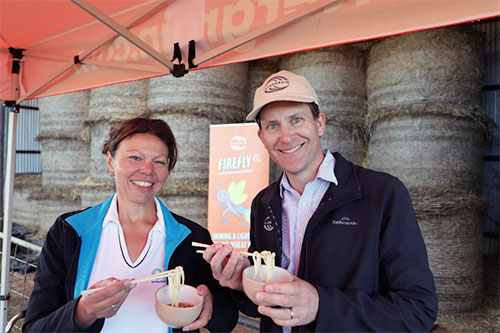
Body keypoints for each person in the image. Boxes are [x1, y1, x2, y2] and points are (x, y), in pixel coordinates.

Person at [203, 70, 439, 332]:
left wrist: (320, 306)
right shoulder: (264, 202)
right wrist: (242, 283)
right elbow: (262, 306)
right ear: (261, 138)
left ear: (319, 123)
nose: (286, 137)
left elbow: (418, 309)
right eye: (272, 126)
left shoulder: (382, 193)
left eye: (296, 120)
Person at [23, 117, 239, 332]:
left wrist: (209, 301)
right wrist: (83, 311)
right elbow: (35, 327)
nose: (147, 170)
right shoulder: (70, 231)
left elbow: (226, 322)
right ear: (110, 161)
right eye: (135, 158)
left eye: (159, 161)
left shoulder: (192, 237)